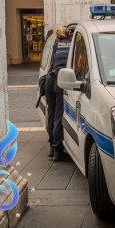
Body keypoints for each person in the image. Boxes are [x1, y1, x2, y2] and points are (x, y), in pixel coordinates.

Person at [45, 26, 72, 162]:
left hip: (49, 79)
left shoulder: (56, 45)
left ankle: (51, 147)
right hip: (59, 80)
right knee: (58, 116)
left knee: (51, 114)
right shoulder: (71, 44)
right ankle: (57, 150)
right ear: (68, 34)